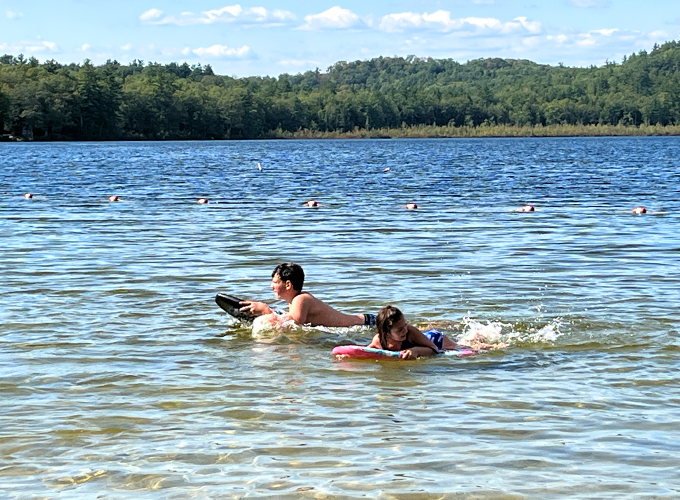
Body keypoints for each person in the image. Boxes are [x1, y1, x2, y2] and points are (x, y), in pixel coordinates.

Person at [239, 262, 376, 328]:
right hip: (363, 321)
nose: (271, 286)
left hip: (367, 324)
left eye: (275, 282)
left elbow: (294, 324)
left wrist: (265, 310)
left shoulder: (301, 299)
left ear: (288, 285)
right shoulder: (295, 301)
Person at [367, 305, 461, 360]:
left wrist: (416, 351)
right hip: (422, 339)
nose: (405, 330)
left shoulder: (410, 332)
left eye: (405, 325)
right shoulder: (379, 341)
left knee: (465, 348)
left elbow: (435, 349)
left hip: (435, 339)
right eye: (400, 329)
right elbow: (361, 351)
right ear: (387, 333)